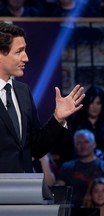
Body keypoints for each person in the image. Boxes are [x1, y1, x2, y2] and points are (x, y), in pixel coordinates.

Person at [0, 21, 84, 173]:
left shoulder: (23, 91)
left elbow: (36, 148)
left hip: (22, 188)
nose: (26, 58)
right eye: (19, 51)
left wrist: (58, 119)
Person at [56, 129, 104, 207]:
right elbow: (59, 190)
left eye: (86, 142)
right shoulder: (66, 167)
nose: (83, 146)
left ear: (94, 144)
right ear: (75, 146)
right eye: (79, 143)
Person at [68, 86, 104, 160]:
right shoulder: (75, 123)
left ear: (102, 105)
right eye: (91, 103)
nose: (94, 107)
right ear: (86, 104)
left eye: (98, 103)